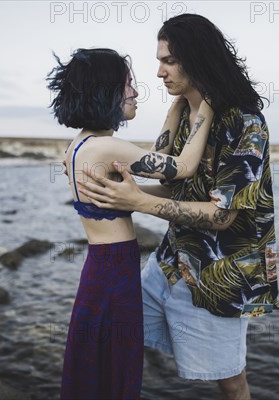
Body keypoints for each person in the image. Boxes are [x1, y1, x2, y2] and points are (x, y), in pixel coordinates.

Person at [77, 15, 279, 400]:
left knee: (232, 382)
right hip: (170, 263)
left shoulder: (244, 123)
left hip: (219, 276)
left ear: (197, 59)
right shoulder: (186, 115)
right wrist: (119, 189)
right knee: (116, 335)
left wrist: (137, 201)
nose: (158, 72)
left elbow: (222, 215)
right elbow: (173, 179)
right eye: (159, 61)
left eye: (168, 60)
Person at [46, 47, 214, 400]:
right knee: (114, 368)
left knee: (97, 365)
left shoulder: (81, 145)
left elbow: (160, 163)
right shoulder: (106, 148)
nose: (135, 92)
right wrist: (206, 111)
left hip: (102, 269)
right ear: (105, 91)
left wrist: (176, 106)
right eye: (127, 86)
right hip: (113, 273)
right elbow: (181, 168)